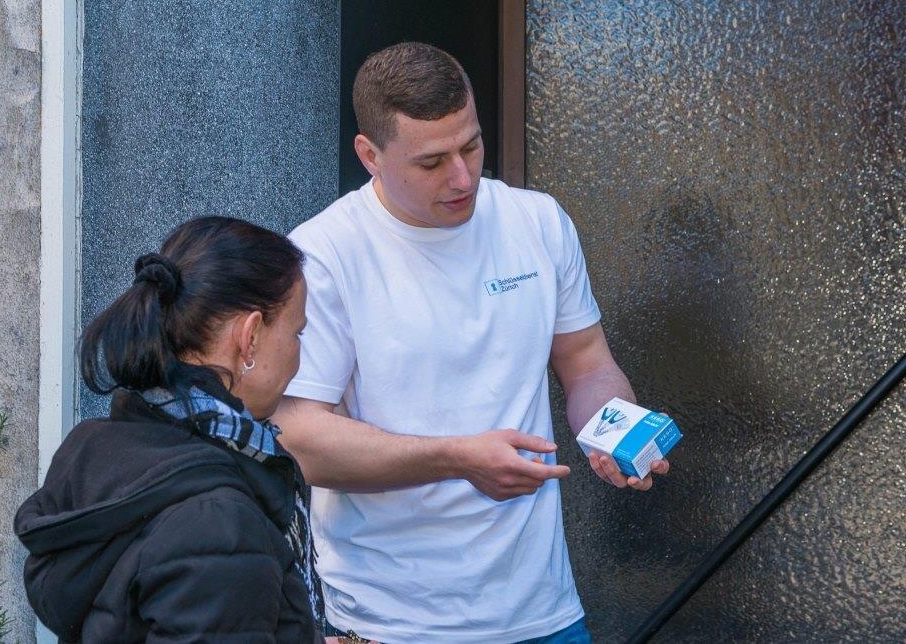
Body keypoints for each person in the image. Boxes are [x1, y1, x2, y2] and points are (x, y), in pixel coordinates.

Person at [271, 42, 670, 643]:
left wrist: (616, 430)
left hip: (543, 611)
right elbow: (300, 440)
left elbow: (587, 364)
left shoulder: (537, 221)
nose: (463, 177)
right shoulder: (325, 254)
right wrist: (459, 457)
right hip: (393, 622)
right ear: (369, 155)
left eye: (471, 145)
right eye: (432, 162)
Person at [15, 216, 334, 642]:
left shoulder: (104, 447)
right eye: (298, 334)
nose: (299, 356)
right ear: (250, 337)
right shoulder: (219, 526)